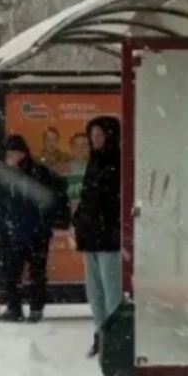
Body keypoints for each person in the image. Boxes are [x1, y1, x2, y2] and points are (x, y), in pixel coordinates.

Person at [0, 134, 68, 323]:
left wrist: (50, 219)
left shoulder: (38, 172)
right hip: (16, 231)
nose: (12, 157)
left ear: (23, 153)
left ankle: (35, 309)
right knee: (12, 272)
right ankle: (14, 308)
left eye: (15, 153)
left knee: (37, 272)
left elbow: (58, 190)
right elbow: (2, 204)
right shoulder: (5, 175)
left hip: (36, 231)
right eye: (9, 154)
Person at [73, 115, 123, 357]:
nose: (95, 140)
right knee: (94, 291)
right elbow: (88, 199)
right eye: (92, 135)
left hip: (108, 239)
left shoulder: (118, 162)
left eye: (100, 135)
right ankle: (101, 334)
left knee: (111, 290)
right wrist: (79, 219)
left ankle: (115, 339)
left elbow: (111, 202)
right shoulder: (94, 162)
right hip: (90, 237)